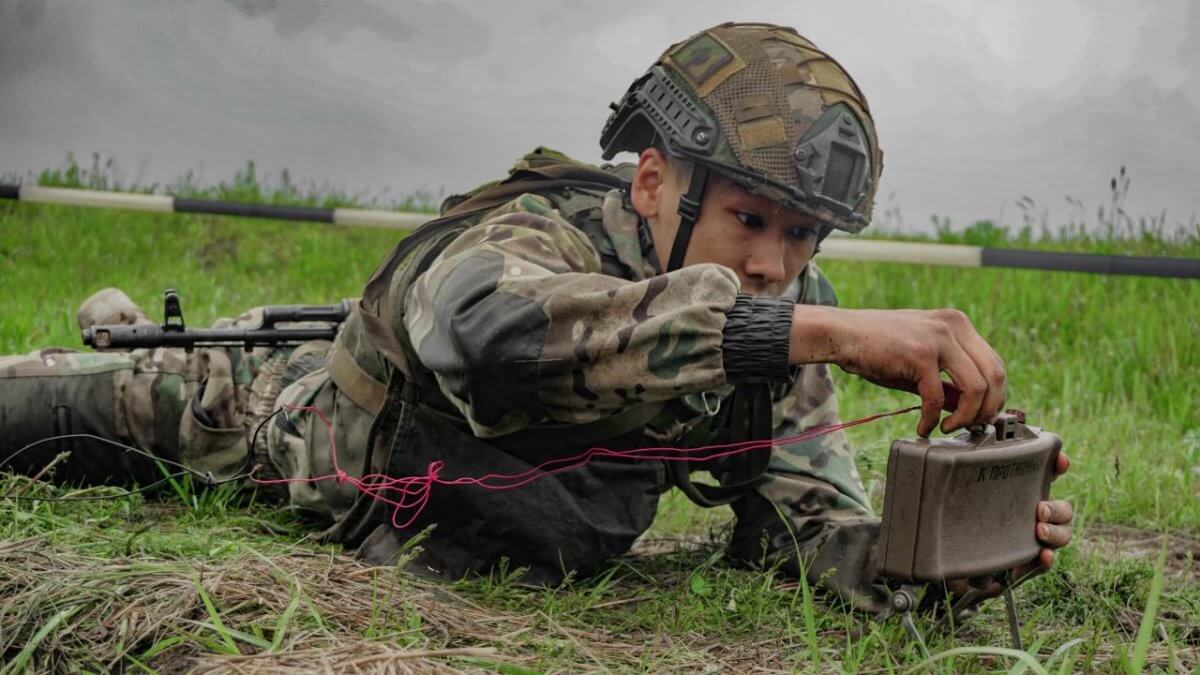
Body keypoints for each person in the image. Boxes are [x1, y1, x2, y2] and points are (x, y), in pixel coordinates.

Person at [0, 22, 1072, 612]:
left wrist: (951, 557)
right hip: (270, 418)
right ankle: (119, 333)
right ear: (653, 181)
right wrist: (821, 332)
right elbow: (493, 341)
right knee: (70, 407)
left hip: (485, 520)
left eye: (803, 239)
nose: (771, 266)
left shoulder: (777, 326)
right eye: (749, 218)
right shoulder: (534, 232)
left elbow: (806, 531)